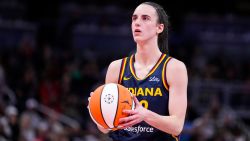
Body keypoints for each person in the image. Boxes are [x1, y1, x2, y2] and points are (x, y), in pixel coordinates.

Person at [90, 2, 188, 141]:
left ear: (159, 28)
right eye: (134, 18)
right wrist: (97, 110)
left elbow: (177, 126)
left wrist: (145, 115)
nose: (137, 22)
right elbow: (106, 128)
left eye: (145, 18)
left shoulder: (174, 68)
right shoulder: (116, 68)